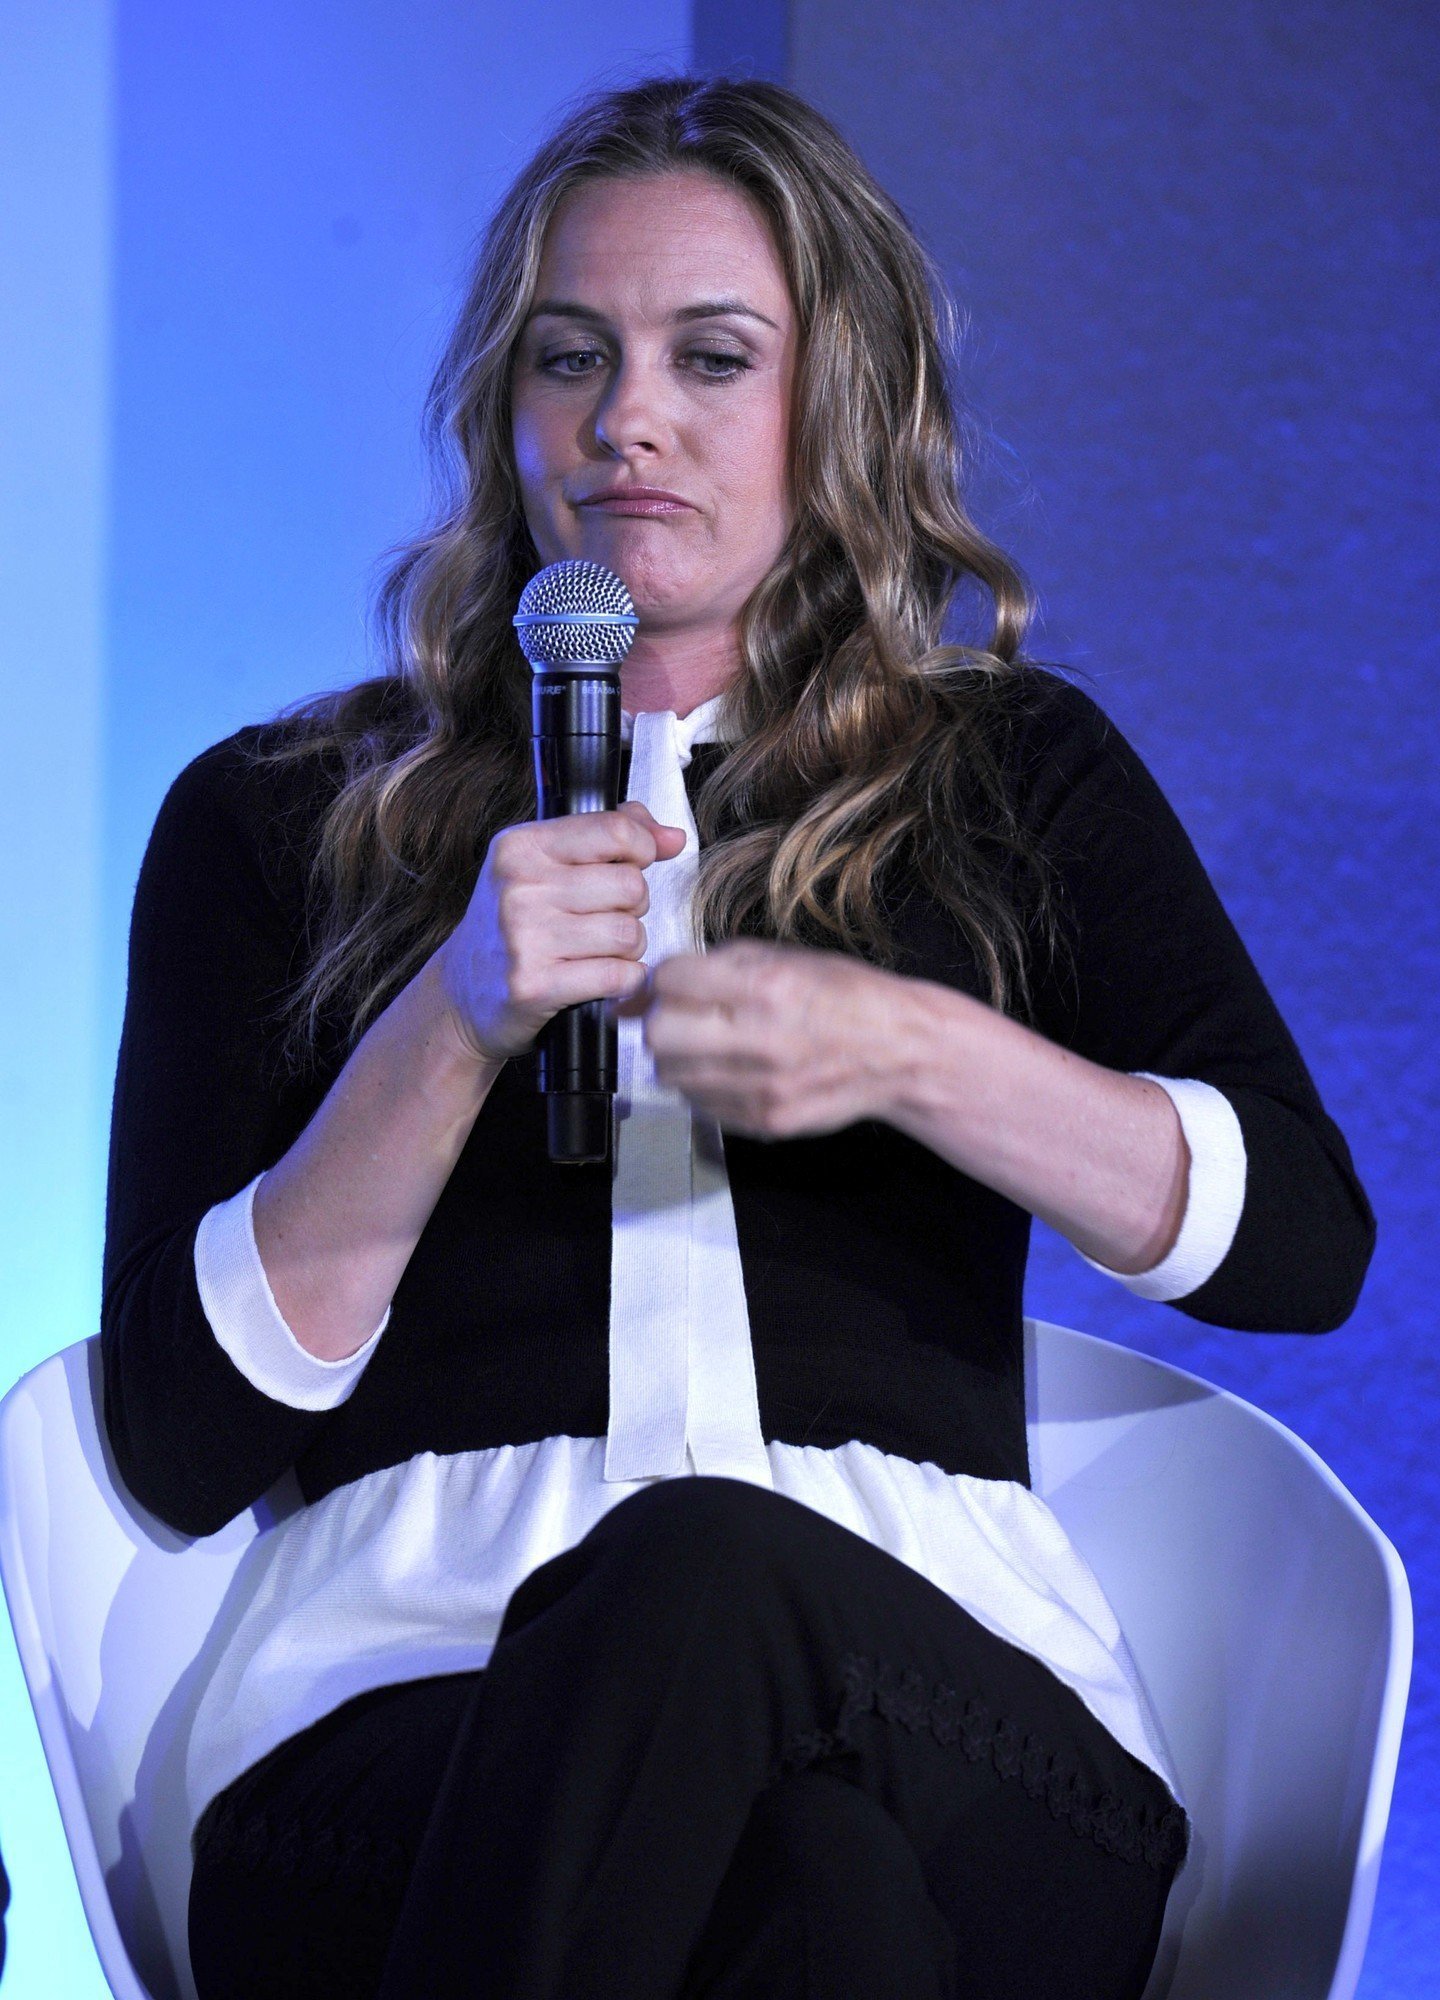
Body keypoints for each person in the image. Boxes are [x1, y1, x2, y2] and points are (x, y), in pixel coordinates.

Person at [100, 74, 1375, 2000]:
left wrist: (918, 1053)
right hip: (401, 1731)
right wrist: (452, 1025)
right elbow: (183, 1442)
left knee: (715, 1585)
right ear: (502, 409)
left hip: (961, 1720)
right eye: (570, 359)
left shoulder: (1009, 774)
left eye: (713, 359)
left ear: (835, 407)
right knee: (826, 1906)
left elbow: (1303, 1247)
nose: (629, 422)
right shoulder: (276, 815)